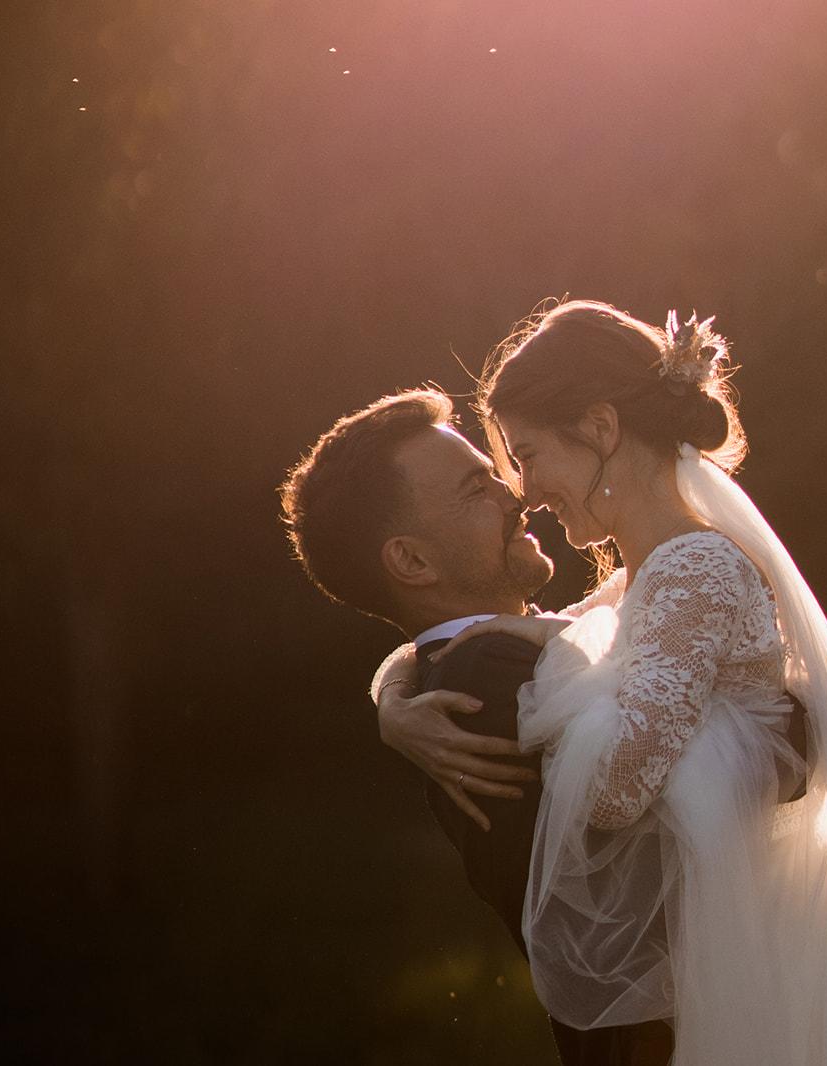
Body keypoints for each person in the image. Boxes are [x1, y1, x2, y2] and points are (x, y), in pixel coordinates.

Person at [375, 301, 827, 1064]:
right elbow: (549, 646)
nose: (525, 490)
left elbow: (617, 791)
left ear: (599, 429)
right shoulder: (638, 587)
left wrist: (563, 675)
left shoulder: (693, 572)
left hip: (800, 963)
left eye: (528, 455)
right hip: (757, 958)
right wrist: (392, 697)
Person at [278, 390, 674, 1066]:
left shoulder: (473, 666)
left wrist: (392, 688)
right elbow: (758, 755)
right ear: (412, 563)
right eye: (475, 488)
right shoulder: (486, 680)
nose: (516, 492)